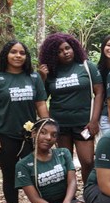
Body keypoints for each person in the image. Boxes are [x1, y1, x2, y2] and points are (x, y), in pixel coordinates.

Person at [0, 40, 48, 203]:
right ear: (6, 54)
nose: (18, 56)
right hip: (5, 136)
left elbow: (40, 104)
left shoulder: (34, 77)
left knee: (36, 173)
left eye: (22, 53)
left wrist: (47, 127)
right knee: (10, 176)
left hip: (30, 136)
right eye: (13, 52)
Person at [38, 33, 104, 183]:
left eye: (67, 48)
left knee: (87, 161)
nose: (65, 52)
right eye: (59, 51)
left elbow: (99, 93)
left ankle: (88, 195)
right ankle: (69, 196)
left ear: (73, 47)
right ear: (53, 55)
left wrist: (94, 120)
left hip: (84, 123)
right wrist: (42, 78)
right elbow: (41, 98)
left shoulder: (87, 66)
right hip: (60, 125)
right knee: (65, 164)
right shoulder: (51, 72)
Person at [14, 118, 87, 203]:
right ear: (33, 134)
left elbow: (72, 181)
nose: (48, 137)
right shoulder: (23, 165)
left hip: (65, 202)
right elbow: (35, 199)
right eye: (44, 132)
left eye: (54, 135)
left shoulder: (63, 153)